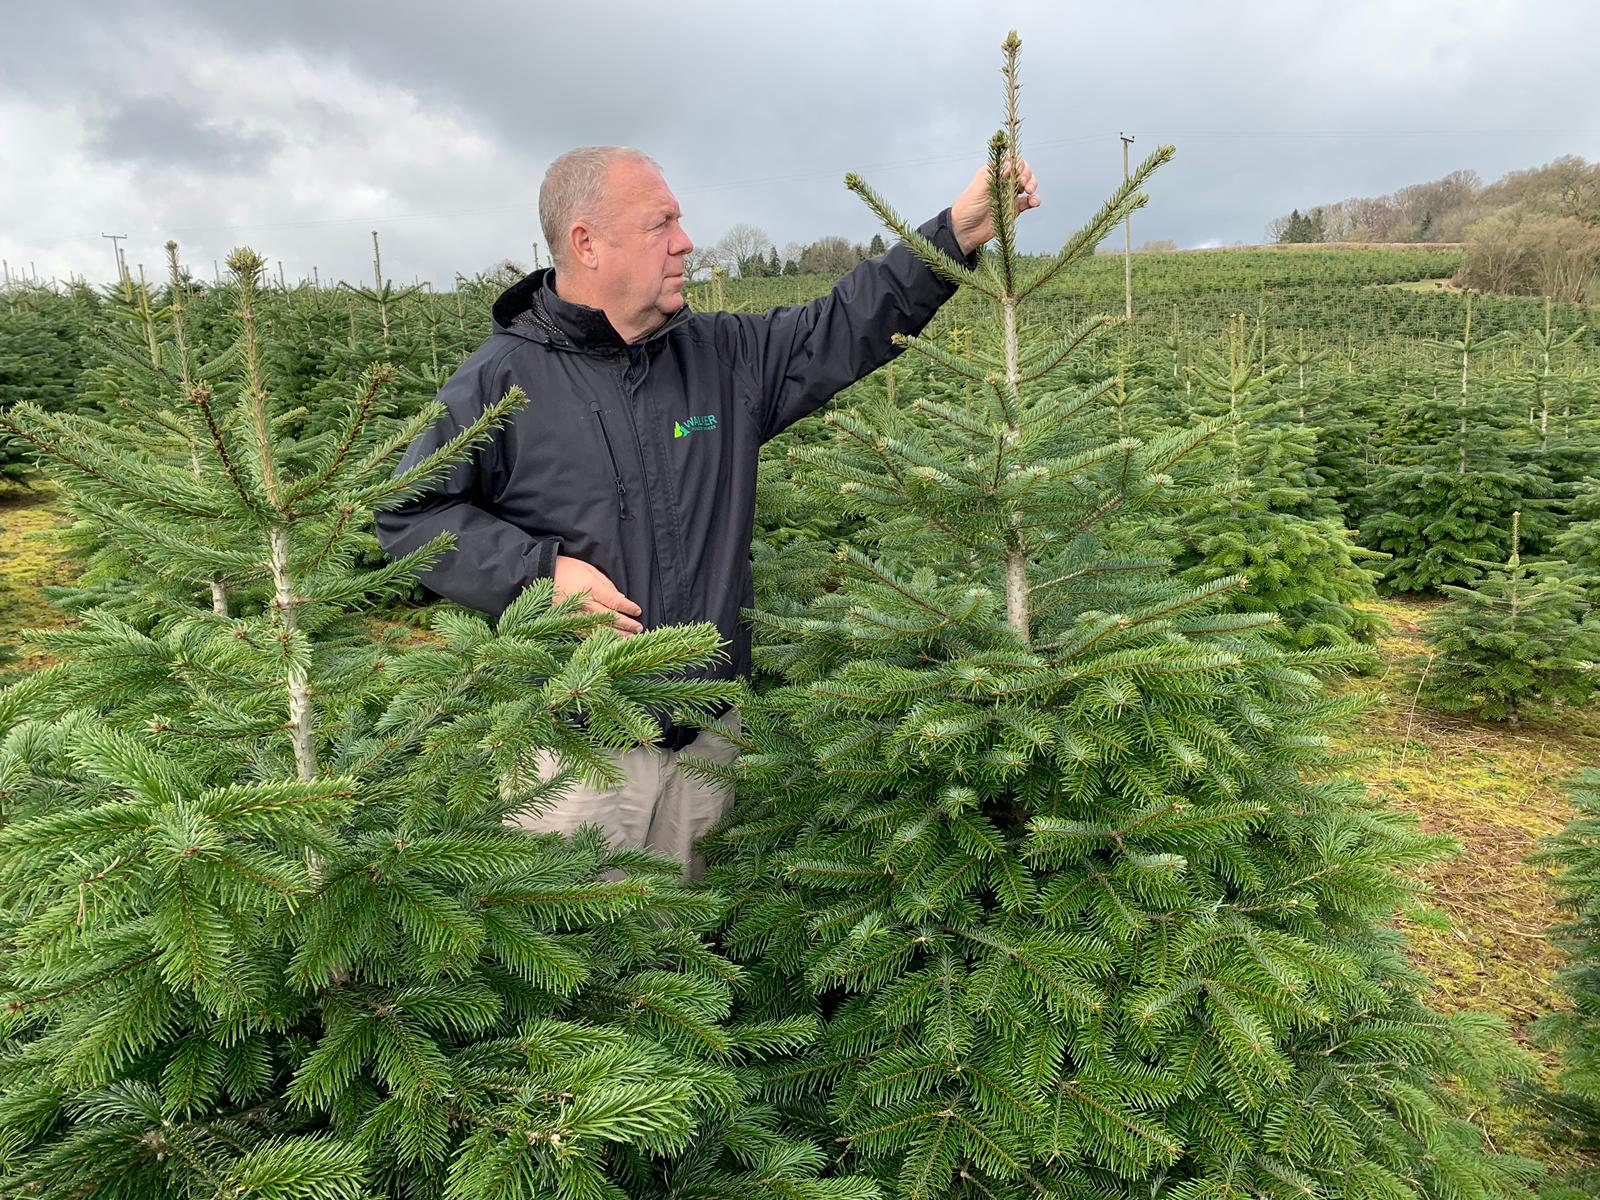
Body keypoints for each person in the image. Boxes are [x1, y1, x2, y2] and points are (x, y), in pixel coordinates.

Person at [376, 146, 1040, 878]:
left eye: (679, 222)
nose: (685, 242)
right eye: (660, 224)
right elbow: (412, 514)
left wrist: (957, 234)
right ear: (587, 243)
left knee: (689, 934)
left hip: (708, 741)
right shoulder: (500, 380)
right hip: (575, 757)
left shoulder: (722, 358)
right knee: (577, 940)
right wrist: (541, 574)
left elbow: (843, 324)